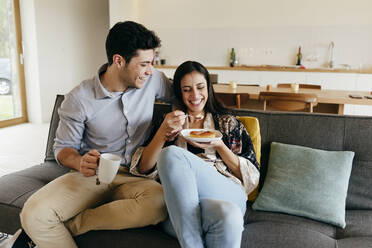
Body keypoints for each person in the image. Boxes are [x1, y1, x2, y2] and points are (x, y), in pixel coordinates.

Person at [7, 21, 175, 248]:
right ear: (118, 61)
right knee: (34, 214)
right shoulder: (78, 99)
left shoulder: (152, 81)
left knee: (160, 201)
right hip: (92, 176)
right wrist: (79, 161)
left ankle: (66, 227)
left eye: (152, 63)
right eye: (144, 64)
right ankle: (39, 230)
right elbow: (63, 149)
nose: (150, 70)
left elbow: (185, 93)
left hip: (136, 177)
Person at [129, 61, 260, 248]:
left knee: (171, 154)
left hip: (225, 190)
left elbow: (251, 178)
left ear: (209, 88)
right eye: (187, 89)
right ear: (180, 94)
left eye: (200, 87)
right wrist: (162, 133)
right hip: (181, 203)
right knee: (228, 216)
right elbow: (142, 168)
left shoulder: (227, 123)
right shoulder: (168, 123)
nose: (195, 95)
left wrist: (220, 145)